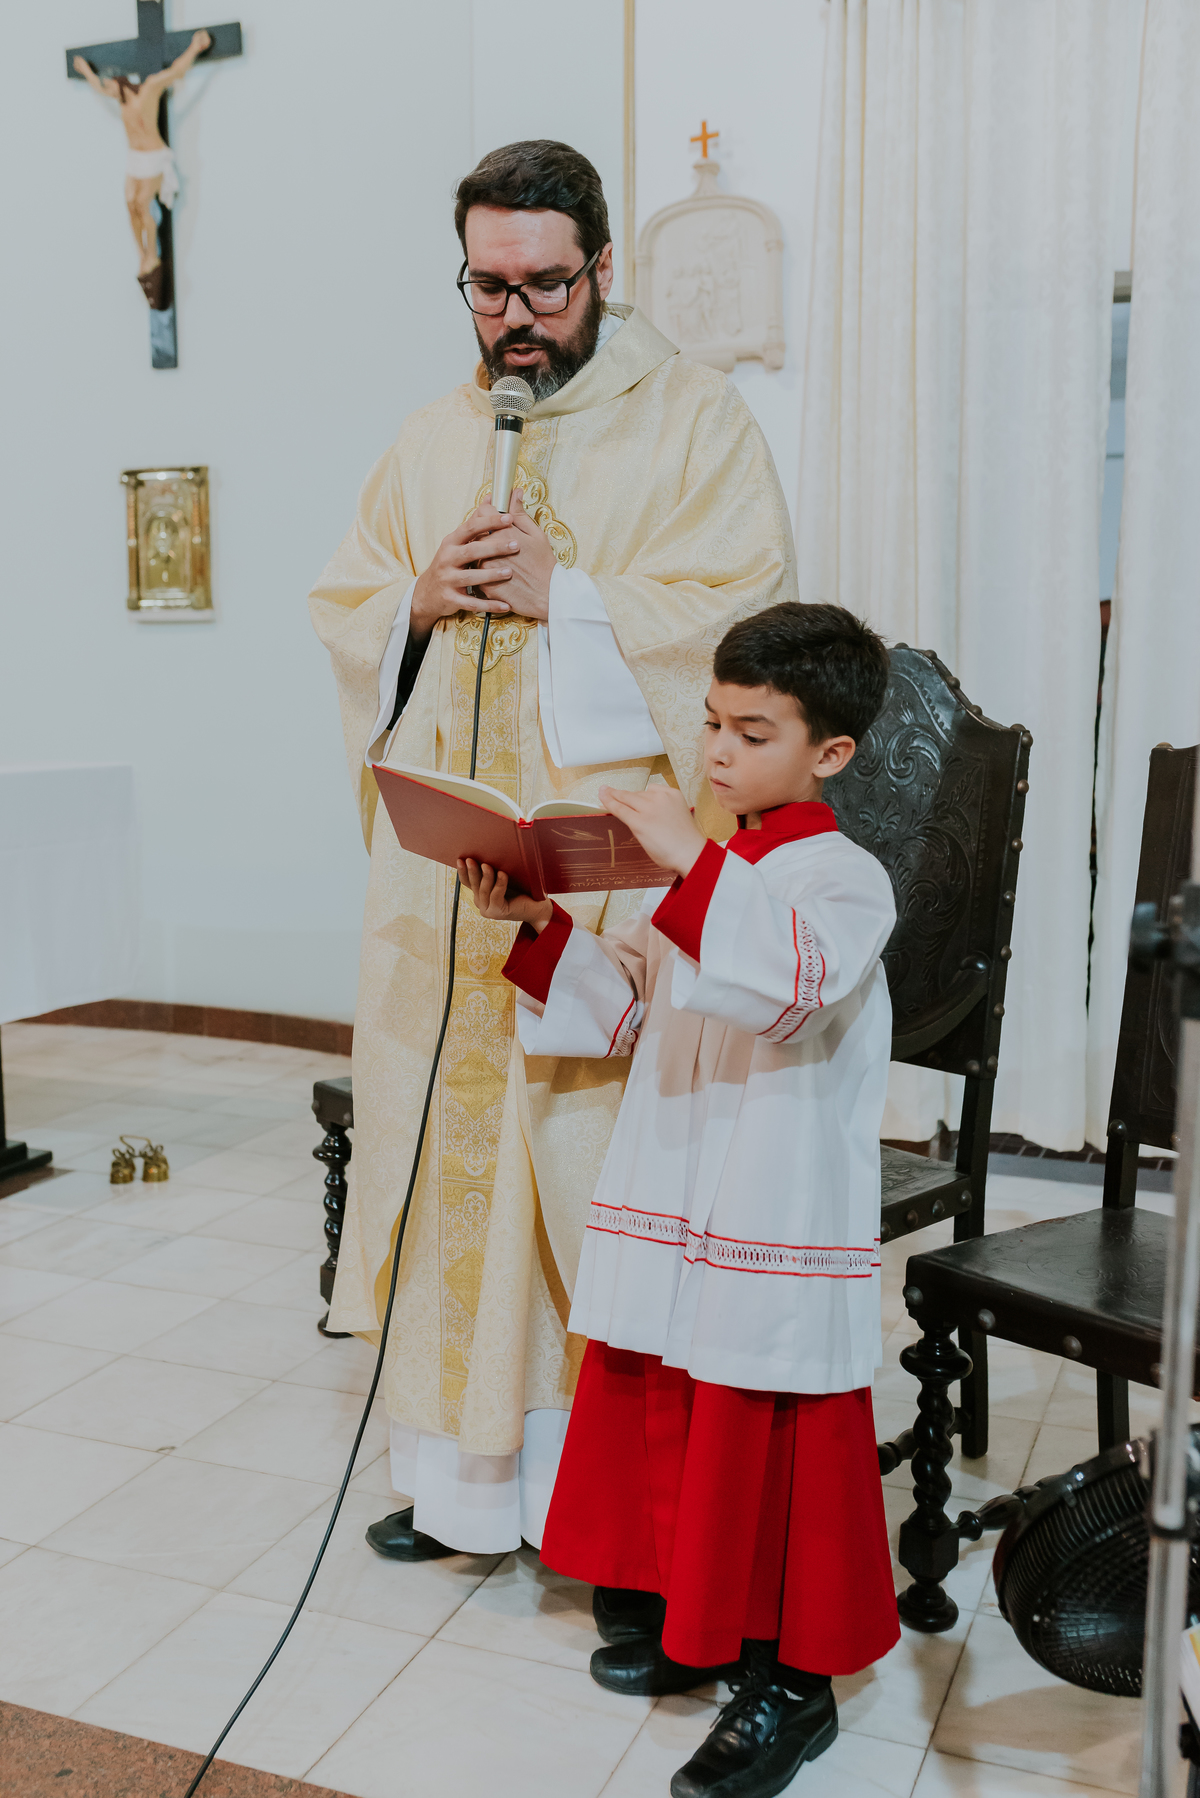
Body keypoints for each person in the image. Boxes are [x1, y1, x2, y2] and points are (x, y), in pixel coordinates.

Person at [309, 141, 796, 1563]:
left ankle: (628, 1524)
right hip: (444, 886)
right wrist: (413, 601)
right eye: (487, 285)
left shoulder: (696, 421)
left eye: (544, 284)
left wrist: (571, 598)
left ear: (600, 269)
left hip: (599, 881)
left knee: (596, 1185)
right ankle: (465, 1488)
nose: (514, 316)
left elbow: (751, 618)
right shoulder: (429, 435)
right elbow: (344, 604)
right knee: (450, 1159)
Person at [461, 602, 900, 1798]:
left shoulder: (844, 880)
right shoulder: (709, 869)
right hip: (676, 1172)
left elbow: (791, 990)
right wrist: (544, 927)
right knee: (670, 1399)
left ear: (831, 752)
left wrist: (688, 865)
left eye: (752, 733)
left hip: (771, 1194)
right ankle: (689, 1619)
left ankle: (788, 1684)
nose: (715, 752)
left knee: (772, 1435)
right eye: (710, 722)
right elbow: (631, 1019)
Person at [73, 30, 211, 306]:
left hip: (152, 157)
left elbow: (174, 72)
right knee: (129, 203)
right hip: (135, 159)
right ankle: (142, 256)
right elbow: (100, 88)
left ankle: (153, 255)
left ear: (121, 83)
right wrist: (86, 71)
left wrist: (195, 48)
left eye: (112, 86)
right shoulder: (121, 100)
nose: (109, 90)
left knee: (143, 203)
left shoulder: (148, 90)